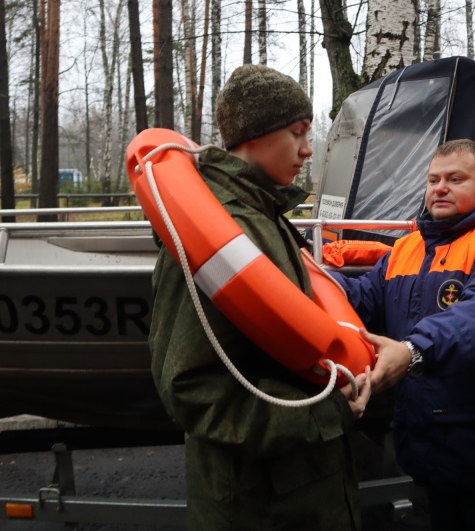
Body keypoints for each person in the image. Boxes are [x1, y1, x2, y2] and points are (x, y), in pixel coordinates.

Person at [149, 64, 371, 531]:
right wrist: (326, 413)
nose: (307, 150)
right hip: (259, 508)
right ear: (257, 134)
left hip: (296, 500)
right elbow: (192, 388)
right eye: (297, 133)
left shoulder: (262, 218)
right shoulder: (211, 239)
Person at [333, 139, 475, 531]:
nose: (440, 188)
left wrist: (413, 350)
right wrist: (306, 276)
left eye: (455, 179)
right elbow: (360, 298)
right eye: (433, 179)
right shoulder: (406, 249)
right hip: (434, 461)